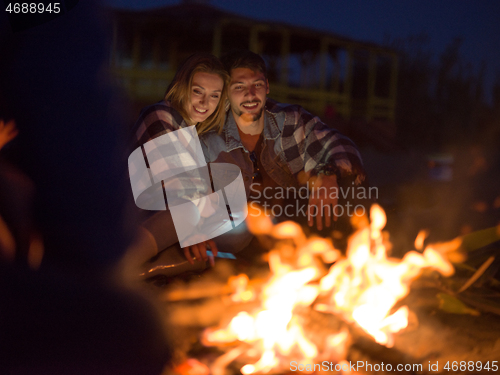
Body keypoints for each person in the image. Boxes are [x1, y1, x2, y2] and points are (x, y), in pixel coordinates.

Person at [200, 50, 368, 243]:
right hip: (239, 234)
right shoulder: (211, 135)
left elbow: (340, 144)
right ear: (226, 93)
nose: (251, 95)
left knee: (351, 189)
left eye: (258, 85)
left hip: (292, 224)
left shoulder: (289, 120)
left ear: (267, 87)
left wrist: (328, 174)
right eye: (239, 87)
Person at [128, 53, 232, 273]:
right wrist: (191, 229)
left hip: (164, 213)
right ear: (182, 86)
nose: (205, 103)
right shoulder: (159, 115)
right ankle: (115, 274)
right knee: (187, 215)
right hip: (131, 215)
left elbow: (204, 196)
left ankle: (149, 275)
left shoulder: (193, 133)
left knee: (231, 228)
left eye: (214, 96)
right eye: (198, 92)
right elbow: (174, 183)